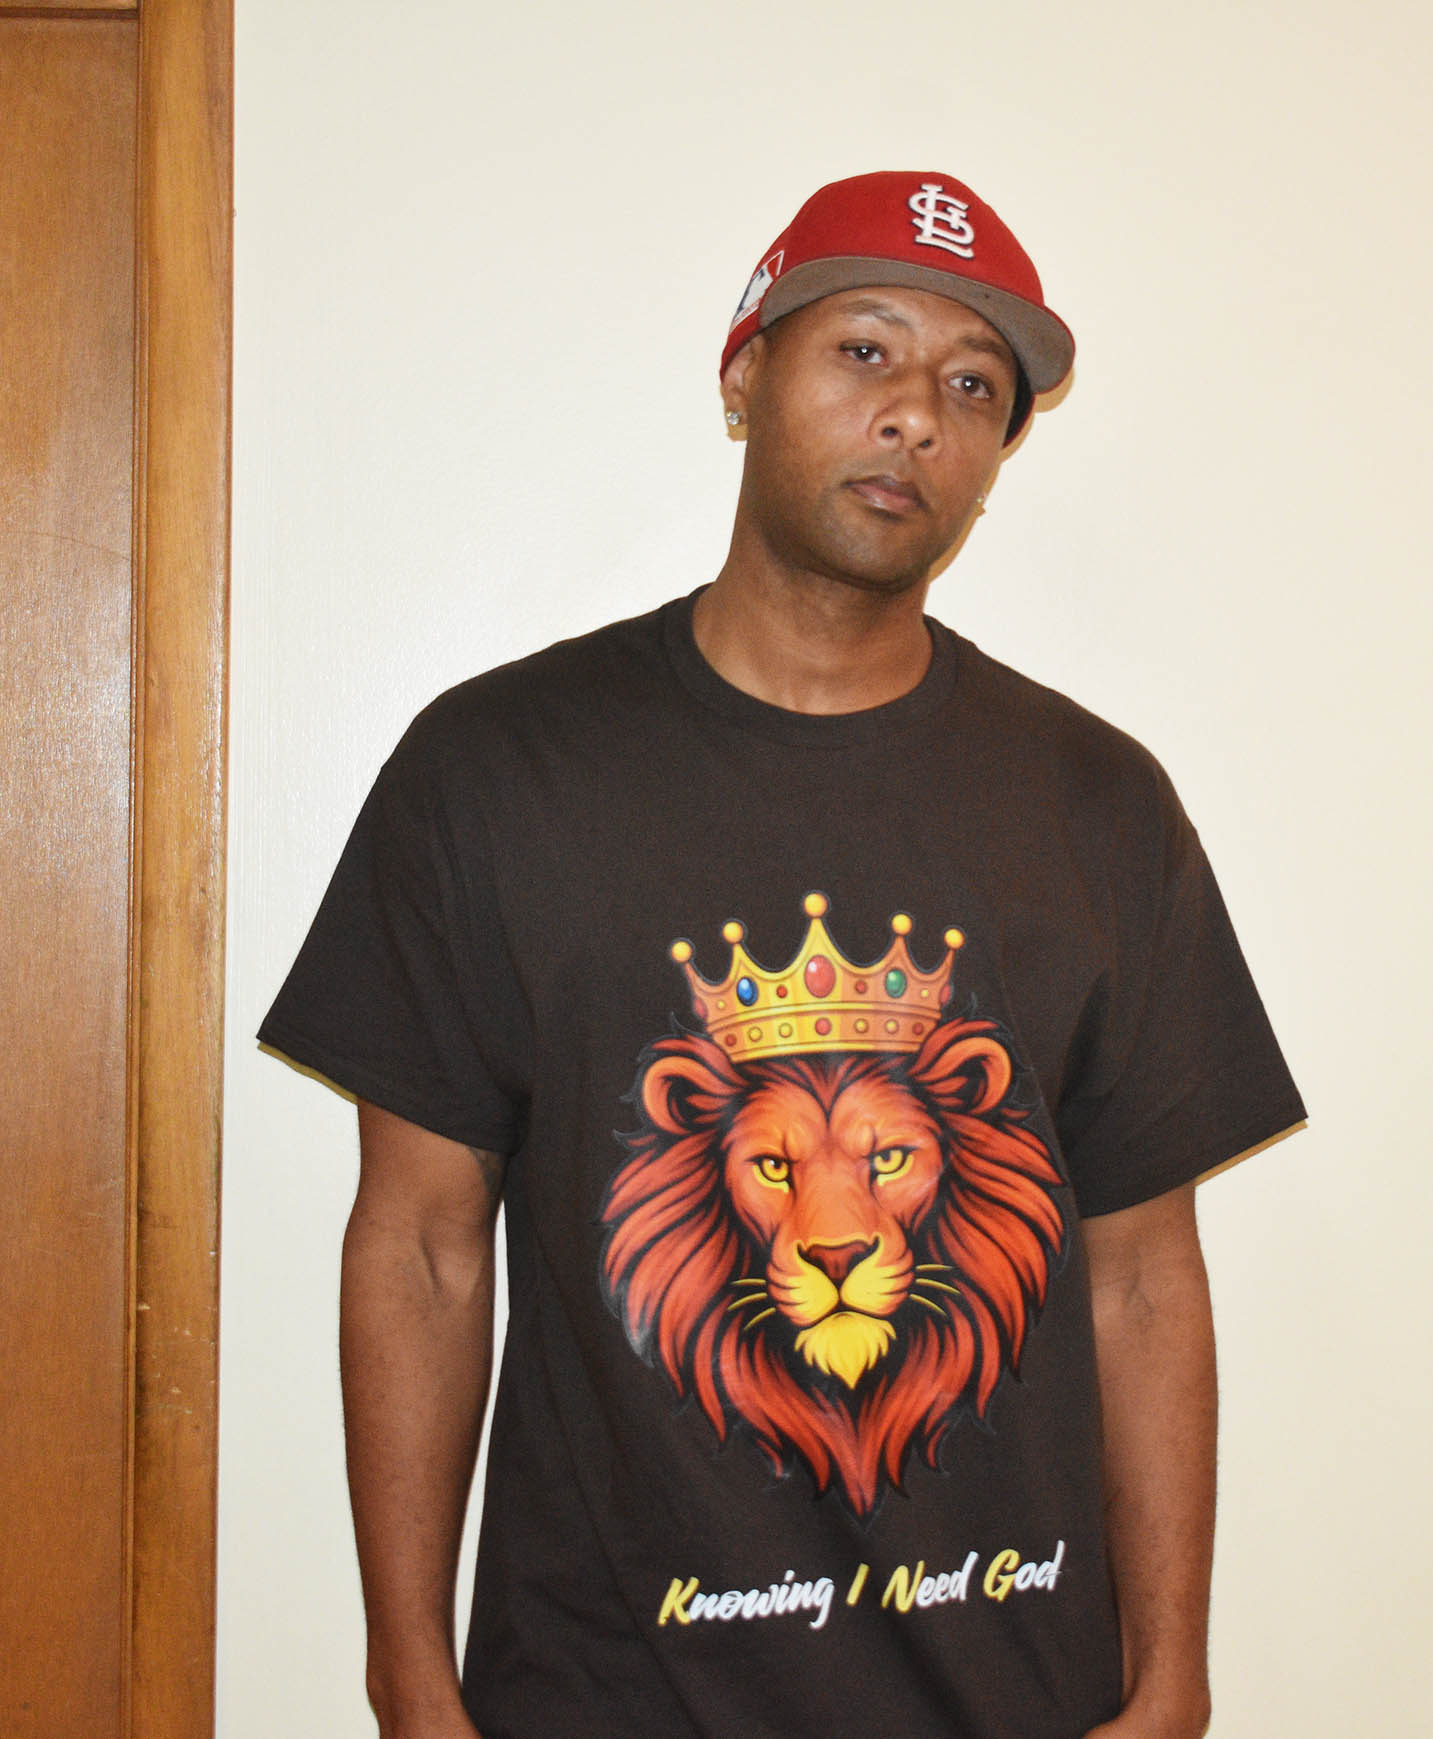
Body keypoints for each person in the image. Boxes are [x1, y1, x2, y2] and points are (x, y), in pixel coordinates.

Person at [261, 171, 1305, 1739]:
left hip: (1012, 1697)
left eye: (973, 386)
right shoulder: (493, 771)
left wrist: (1171, 1684)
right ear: (744, 375)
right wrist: (408, 1682)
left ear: (996, 456)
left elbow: (1143, 1279)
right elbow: (419, 1245)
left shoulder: (1098, 803)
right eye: (863, 351)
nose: (915, 416)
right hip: (600, 1699)